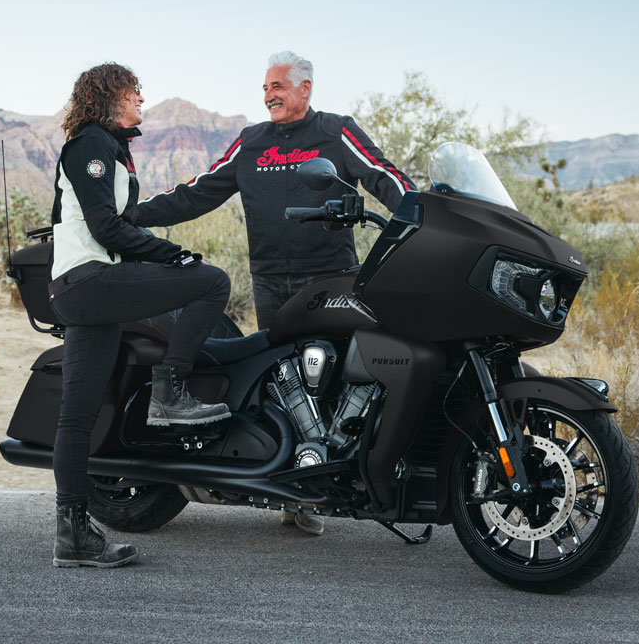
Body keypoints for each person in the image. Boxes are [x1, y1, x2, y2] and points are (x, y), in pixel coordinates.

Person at [127, 51, 416, 534]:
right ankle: (293, 493)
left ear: (305, 88)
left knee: (333, 377)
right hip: (270, 280)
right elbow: (199, 191)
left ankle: (336, 478)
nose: (268, 95)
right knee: (282, 379)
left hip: (330, 276)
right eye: (265, 88)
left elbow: (382, 175)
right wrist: (131, 215)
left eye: (277, 86)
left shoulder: (335, 131)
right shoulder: (252, 141)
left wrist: (420, 211)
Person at [48, 62, 232, 568]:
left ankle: (72, 538)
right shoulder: (90, 145)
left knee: (77, 416)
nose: (140, 101)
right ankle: (169, 392)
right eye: (133, 93)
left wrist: (152, 254)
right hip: (88, 280)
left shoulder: (110, 147)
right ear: (110, 97)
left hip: (87, 289)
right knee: (212, 282)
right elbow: (105, 227)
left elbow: (120, 225)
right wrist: (173, 255)